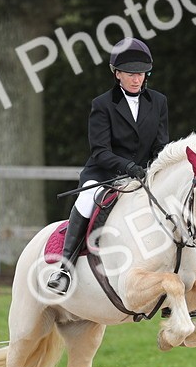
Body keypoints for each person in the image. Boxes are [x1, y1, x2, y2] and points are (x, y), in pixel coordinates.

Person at [46, 38, 169, 295]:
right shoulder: (102, 104)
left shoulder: (158, 102)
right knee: (86, 198)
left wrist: (154, 168)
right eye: (131, 74)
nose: (137, 79)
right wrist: (128, 166)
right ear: (117, 74)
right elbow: (100, 151)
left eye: (142, 74)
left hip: (144, 175)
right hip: (105, 173)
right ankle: (64, 268)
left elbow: (161, 146)